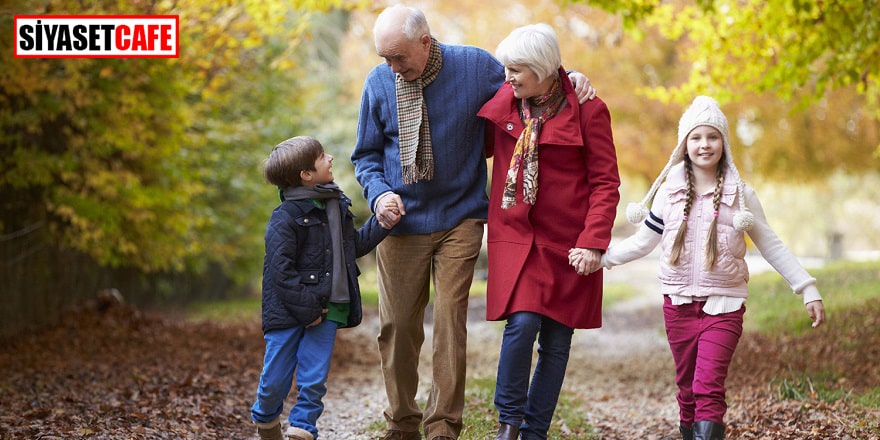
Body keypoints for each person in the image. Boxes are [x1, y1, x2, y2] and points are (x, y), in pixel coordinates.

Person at [351, 5, 597, 440]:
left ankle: (443, 426)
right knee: (398, 328)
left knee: (450, 319)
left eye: (398, 57)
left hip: (460, 215)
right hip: (400, 219)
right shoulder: (378, 83)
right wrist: (379, 192)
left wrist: (570, 76)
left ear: (425, 42)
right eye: (384, 58)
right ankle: (402, 422)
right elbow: (366, 156)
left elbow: (533, 78)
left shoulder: (475, 67)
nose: (391, 66)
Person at [590, 96, 827, 440]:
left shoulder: (741, 196)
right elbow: (644, 241)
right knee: (687, 390)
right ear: (684, 144)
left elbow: (771, 244)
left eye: (712, 137)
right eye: (696, 137)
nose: (704, 145)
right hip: (678, 305)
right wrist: (602, 257)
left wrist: (808, 288)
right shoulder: (668, 192)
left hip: (724, 306)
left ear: (724, 143)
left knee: (707, 387)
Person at [476, 24, 620, 440]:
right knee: (521, 325)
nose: (508, 77)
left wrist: (593, 243)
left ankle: (535, 432)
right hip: (517, 237)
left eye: (518, 70)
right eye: (507, 68)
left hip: (570, 243)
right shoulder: (506, 99)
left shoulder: (589, 110)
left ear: (542, 70)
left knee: (557, 340)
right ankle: (509, 425)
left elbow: (605, 183)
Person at [251, 136, 397, 440]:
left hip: (331, 304)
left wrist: (383, 222)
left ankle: (303, 427)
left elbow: (351, 247)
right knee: (275, 379)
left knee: (313, 377)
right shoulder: (285, 217)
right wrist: (308, 309)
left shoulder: (337, 205)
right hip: (290, 310)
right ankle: (266, 419)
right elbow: (280, 271)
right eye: (322, 157)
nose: (330, 158)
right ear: (306, 174)